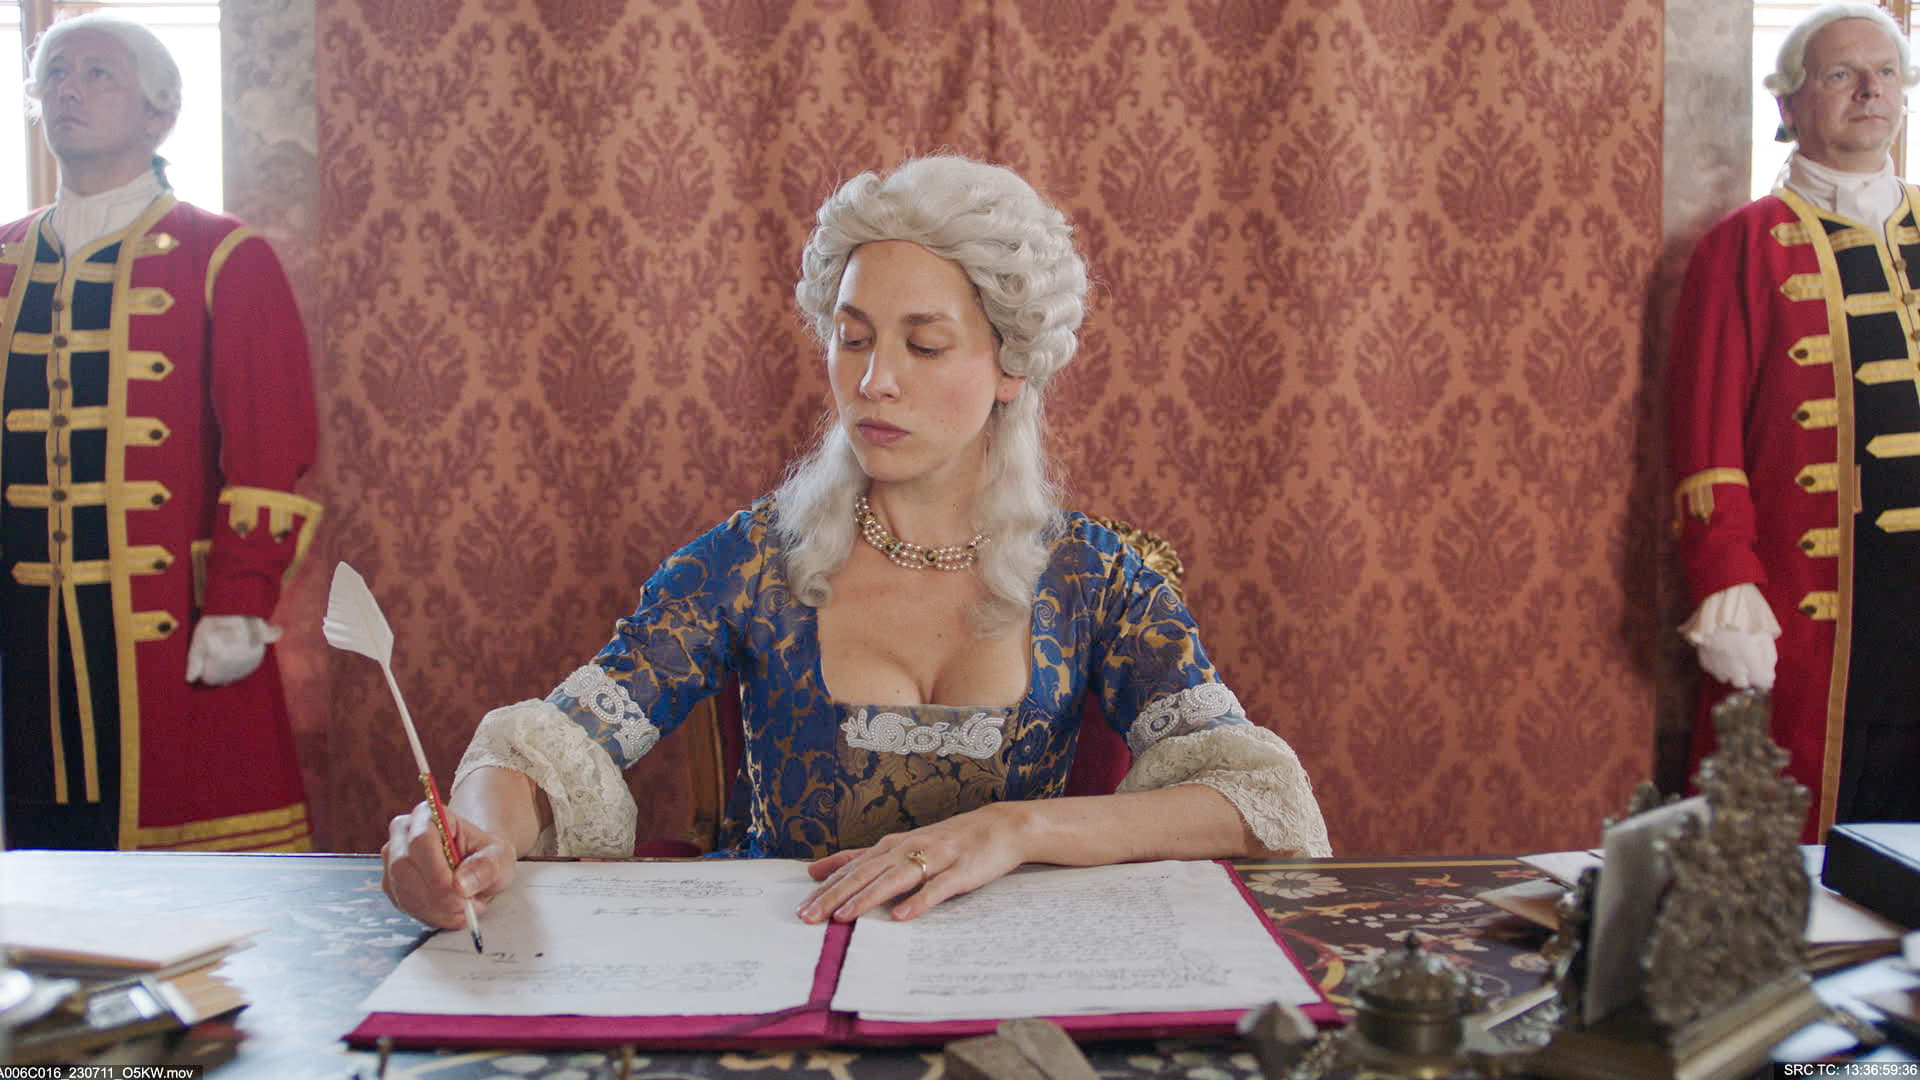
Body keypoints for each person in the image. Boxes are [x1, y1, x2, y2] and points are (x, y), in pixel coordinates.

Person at [382, 155, 1329, 930]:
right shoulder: (750, 564)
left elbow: (1252, 798)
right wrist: (471, 831)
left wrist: (1014, 829)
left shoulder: (1096, 580)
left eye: (924, 345)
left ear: (1011, 364)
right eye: (853, 336)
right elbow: (554, 742)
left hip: (1009, 982)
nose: (874, 381)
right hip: (781, 971)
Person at [1, 13, 322, 851]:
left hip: (169, 641)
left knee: (191, 893)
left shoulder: (222, 254)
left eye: (97, 73)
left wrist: (240, 604)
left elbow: (269, 449)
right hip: (24, 650)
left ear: (159, 114)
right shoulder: (3, 261)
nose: (68, 89)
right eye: (54, 73)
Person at [1669, 2, 1920, 840]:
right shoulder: (1743, 245)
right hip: (1819, 606)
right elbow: (1705, 439)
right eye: (1841, 74)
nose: (1869, 91)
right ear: (1789, 102)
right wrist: (1725, 582)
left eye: (1886, 73)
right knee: (1794, 836)